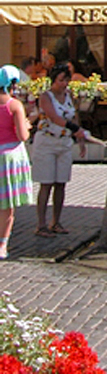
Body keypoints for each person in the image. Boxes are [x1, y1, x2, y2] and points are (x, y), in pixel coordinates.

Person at [32, 62, 87, 236]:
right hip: (47, 142)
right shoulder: (45, 97)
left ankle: (56, 222)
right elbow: (54, 117)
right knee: (46, 183)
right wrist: (75, 129)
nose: (64, 84)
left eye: (66, 80)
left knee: (61, 183)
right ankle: (41, 224)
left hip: (64, 142)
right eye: (61, 80)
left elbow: (74, 116)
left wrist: (81, 140)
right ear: (53, 80)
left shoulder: (69, 95)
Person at [0, 65, 33, 259]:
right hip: (9, 157)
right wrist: (27, 125)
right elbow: (22, 135)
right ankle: (2, 245)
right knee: (6, 205)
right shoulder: (14, 105)